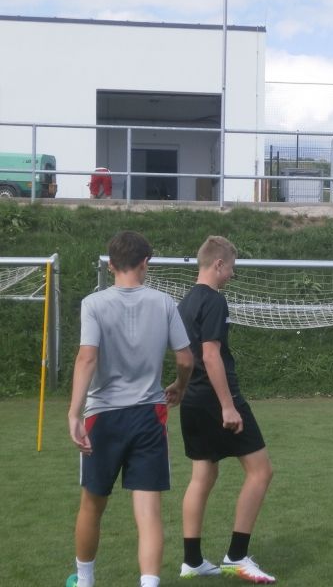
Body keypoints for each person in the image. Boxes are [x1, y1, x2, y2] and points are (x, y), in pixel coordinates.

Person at [66, 231, 194, 587]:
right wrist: (180, 386)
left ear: (110, 265)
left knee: (92, 505)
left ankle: (85, 581)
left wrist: (74, 414)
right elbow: (185, 359)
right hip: (148, 415)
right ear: (145, 263)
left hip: (102, 417)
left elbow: (87, 358)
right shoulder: (164, 302)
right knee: (148, 511)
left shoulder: (93, 303)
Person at [177, 235, 276, 584]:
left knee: (202, 477)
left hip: (192, 400)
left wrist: (180, 387)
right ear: (218, 264)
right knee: (261, 471)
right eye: (231, 267)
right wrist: (227, 406)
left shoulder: (185, 303)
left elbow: (184, 357)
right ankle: (236, 557)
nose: (232, 274)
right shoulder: (214, 300)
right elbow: (209, 355)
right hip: (217, 399)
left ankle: (192, 561)